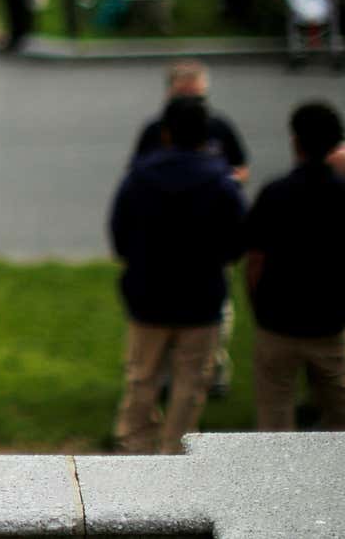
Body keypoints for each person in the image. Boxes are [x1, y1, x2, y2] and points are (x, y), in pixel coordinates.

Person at [109, 96, 248, 454]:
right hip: (200, 298)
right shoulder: (220, 184)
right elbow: (236, 244)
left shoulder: (139, 178)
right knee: (191, 383)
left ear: (166, 133)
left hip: (147, 295)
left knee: (142, 377)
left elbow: (120, 234)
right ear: (205, 136)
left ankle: (136, 448)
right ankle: (175, 452)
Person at [245, 101, 345, 432]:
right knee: (343, 409)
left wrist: (258, 306)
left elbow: (256, 259)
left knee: (275, 411)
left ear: (296, 141)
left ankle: (276, 480)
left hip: (278, 320)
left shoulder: (275, 193)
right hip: (329, 322)